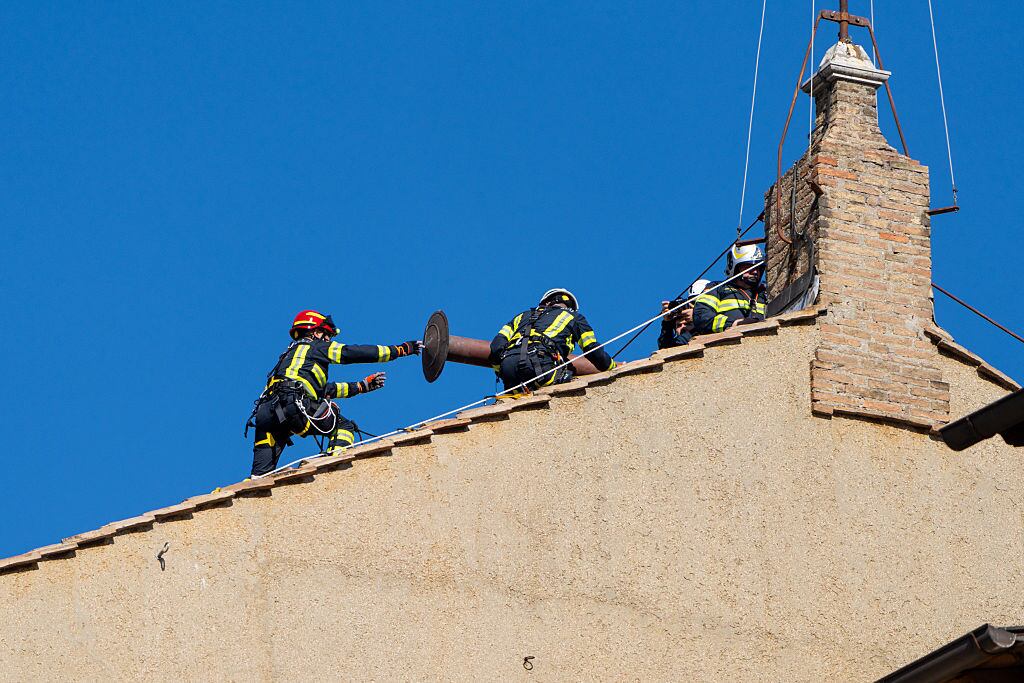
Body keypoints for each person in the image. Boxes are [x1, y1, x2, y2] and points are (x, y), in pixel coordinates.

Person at [247, 310, 422, 476]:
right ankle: (334, 471)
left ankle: (250, 494)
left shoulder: (290, 359)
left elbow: (323, 390)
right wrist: (400, 350)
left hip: (267, 415)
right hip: (293, 406)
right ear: (315, 333)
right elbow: (353, 353)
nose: (329, 339)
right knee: (344, 426)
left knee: (260, 477)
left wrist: (361, 386)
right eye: (327, 334)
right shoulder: (316, 348)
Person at [488, 288, 616, 393]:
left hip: (508, 368)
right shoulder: (574, 317)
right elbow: (591, 349)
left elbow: (496, 346)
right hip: (541, 367)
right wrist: (612, 367)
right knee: (571, 386)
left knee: (514, 400)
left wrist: (502, 369)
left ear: (545, 302)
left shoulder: (522, 316)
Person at [692, 244, 766, 335]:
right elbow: (702, 318)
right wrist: (734, 324)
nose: (755, 272)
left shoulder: (765, 292)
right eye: (748, 267)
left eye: (758, 268)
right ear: (734, 267)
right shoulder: (717, 288)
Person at [657, 279, 713, 349]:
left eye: (688, 324)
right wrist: (668, 324)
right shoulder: (677, 342)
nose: (682, 327)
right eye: (678, 325)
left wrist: (697, 316)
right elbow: (664, 348)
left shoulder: (704, 331)